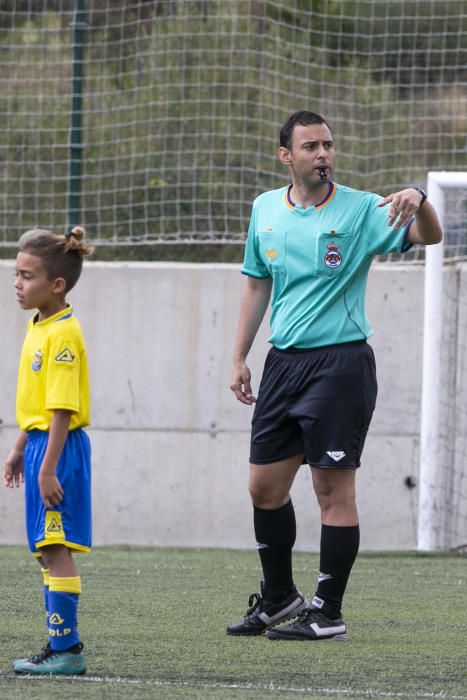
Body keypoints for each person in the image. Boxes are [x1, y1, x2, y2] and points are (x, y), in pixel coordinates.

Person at [227, 110, 442, 641]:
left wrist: (420, 196)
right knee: (264, 488)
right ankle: (280, 599)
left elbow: (430, 236)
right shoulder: (265, 211)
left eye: (327, 145)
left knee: (331, 490)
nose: (322, 154)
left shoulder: (363, 209)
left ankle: (328, 611)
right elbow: (257, 285)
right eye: (310, 147)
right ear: (287, 157)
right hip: (283, 364)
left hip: (340, 365)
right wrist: (239, 356)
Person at [3, 226, 94, 673]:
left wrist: (48, 467)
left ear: (56, 285)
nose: (17, 284)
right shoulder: (38, 325)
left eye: (26, 276)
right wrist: (22, 445)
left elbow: (62, 409)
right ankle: (60, 646)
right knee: (45, 548)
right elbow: (39, 404)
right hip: (41, 446)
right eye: (15, 274)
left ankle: (67, 651)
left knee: (57, 547)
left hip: (59, 452)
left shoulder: (63, 336)